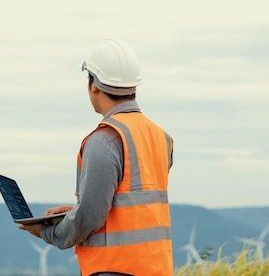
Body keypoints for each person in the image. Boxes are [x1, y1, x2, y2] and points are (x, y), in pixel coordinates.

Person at [19, 38, 174, 276]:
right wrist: (76, 209)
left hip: (115, 269)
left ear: (93, 84)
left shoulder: (105, 140)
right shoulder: (161, 137)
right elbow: (131, 204)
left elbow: (90, 216)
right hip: (156, 268)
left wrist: (47, 232)